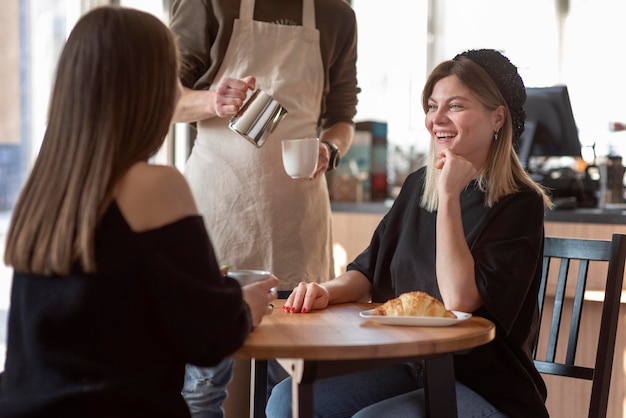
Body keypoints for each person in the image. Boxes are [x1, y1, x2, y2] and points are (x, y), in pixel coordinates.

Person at [0, 6, 278, 418]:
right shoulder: (156, 185)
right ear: (149, 91)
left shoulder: (44, 191)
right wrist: (241, 307)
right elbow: (208, 338)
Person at [267, 49, 552, 418]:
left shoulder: (519, 203)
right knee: (285, 400)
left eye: (455, 106)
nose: (437, 119)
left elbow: (460, 300)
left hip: (485, 387)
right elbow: (367, 271)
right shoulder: (418, 186)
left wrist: (448, 195)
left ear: (497, 117)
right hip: (410, 368)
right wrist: (326, 290)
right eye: (432, 106)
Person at [169, 1, 359, 416]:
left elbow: (343, 115)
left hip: (298, 223)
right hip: (220, 213)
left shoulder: (336, 14)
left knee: (292, 392)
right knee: (201, 386)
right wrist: (213, 102)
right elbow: (167, 98)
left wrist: (330, 149)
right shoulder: (210, 4)